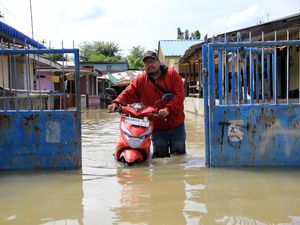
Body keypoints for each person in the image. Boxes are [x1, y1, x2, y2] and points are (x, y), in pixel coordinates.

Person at [107, 50, 186, 158]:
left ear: (158, 62)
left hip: (176, 124)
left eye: (152, 61)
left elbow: (180, 96)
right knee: (159, 157)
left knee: (179, 157)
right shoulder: (140, 80)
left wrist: (168, 109)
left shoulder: (172, 75)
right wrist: (116, 103)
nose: (150, 65)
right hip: (156, 125)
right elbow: (128, 92)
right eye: (147, 63)